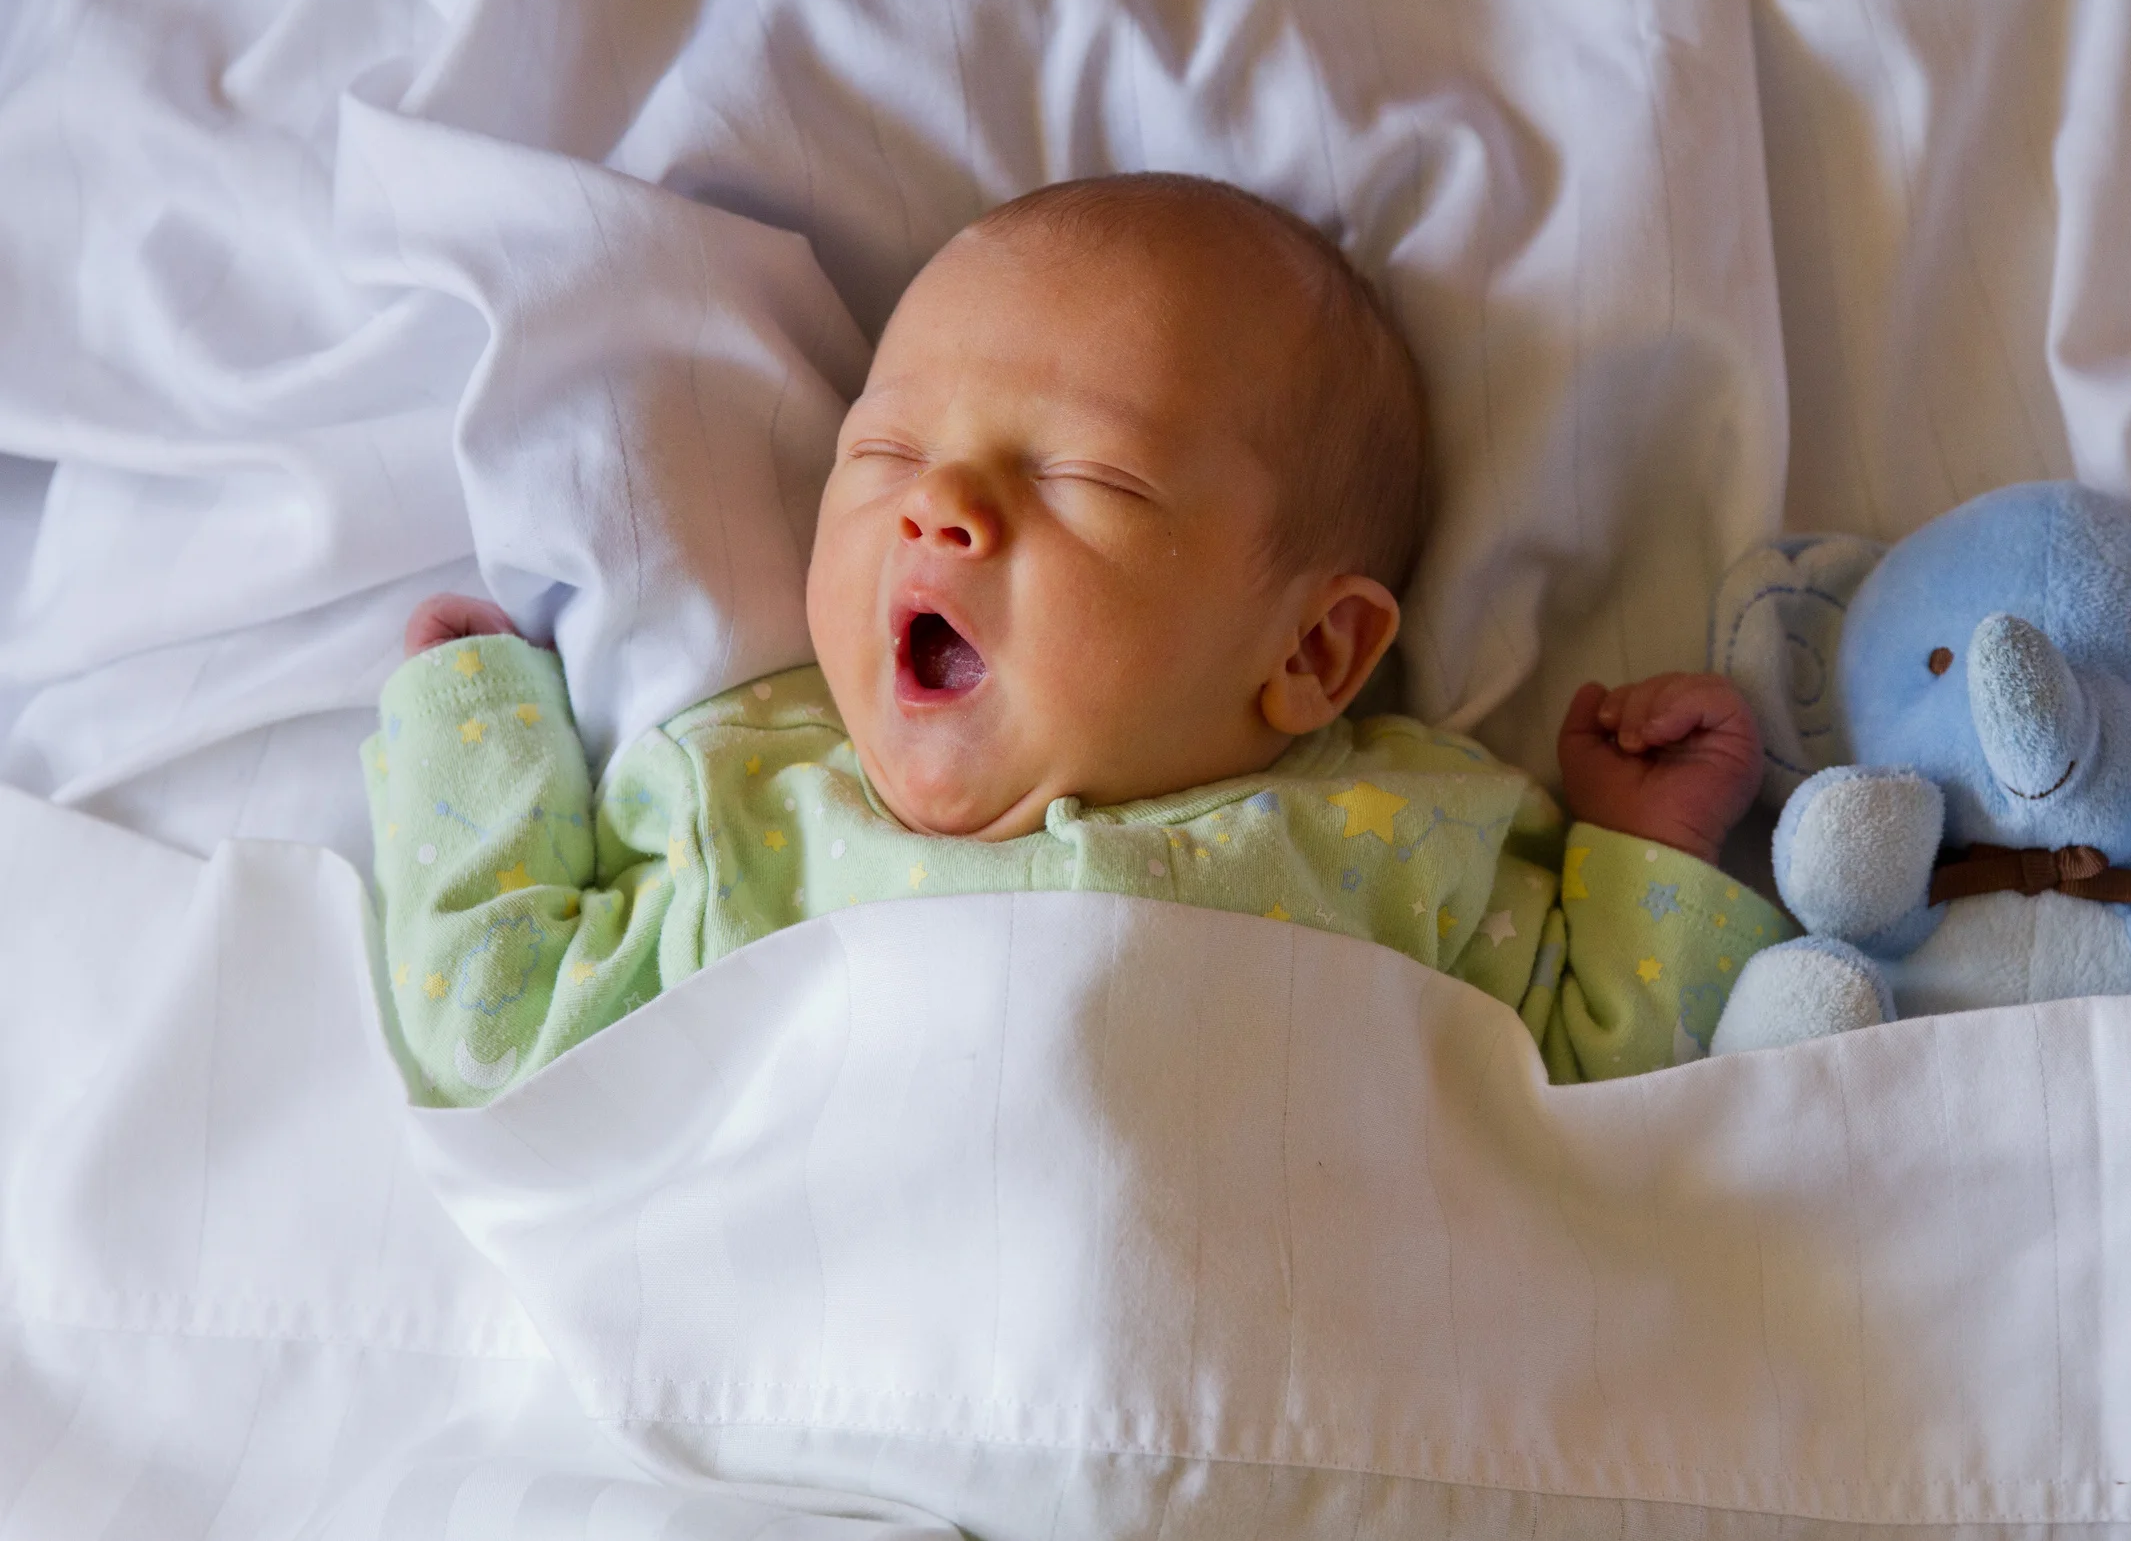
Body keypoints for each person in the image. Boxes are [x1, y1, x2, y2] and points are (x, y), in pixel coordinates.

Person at [364, 173, 1789, 1103]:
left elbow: (1617, 1100)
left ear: (1312, 655)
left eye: (1085, 476)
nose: (939, 504)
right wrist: (478, 740)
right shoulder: (748, 818)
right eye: (887, 449)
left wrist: (1648, 848)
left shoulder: (1408, 841)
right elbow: (499, 1033)